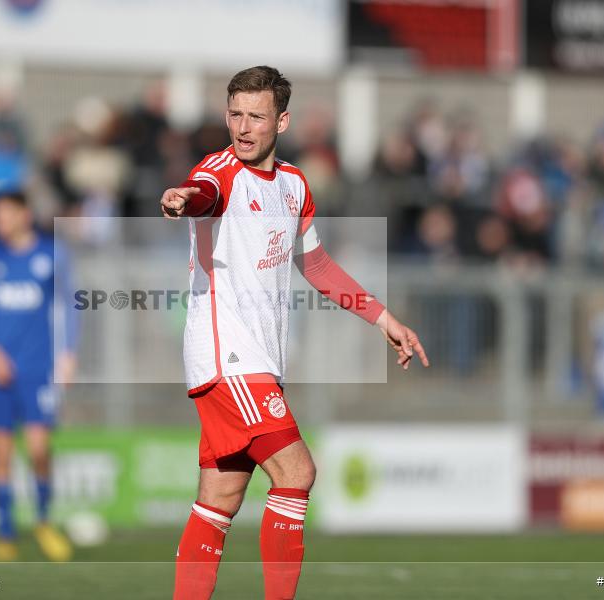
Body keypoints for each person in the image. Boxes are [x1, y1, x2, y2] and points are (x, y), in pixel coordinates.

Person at [160, 66, 429, 600]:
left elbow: (319, 266)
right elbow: (202, 193)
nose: (242, 127)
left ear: (281, 121)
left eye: (256, 116)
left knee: (220, 497)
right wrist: (181, 199)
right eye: (235, 114)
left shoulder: (294, 185)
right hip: (228, 357)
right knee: (298, 472)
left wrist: (385, 319)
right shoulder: (220, 171)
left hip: (258, 361)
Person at [0, 181, 79, 562]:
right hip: (0, 373)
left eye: (5, 213)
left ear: (24, 215)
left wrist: (67, 353)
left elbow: (69, 305)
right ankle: (5, 534)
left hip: (38, 370)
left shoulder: (51, 255)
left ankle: (44, 522)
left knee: (38, 450)